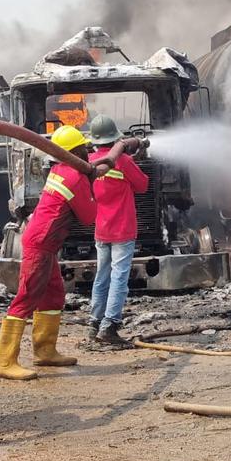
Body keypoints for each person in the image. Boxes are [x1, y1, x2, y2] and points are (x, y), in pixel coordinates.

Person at [0, 125, 126, 380]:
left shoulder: (60, 168)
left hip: (45, 243)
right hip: (41, 244)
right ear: (73, 152)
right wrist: (93, 184)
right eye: (83, 149)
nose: (88, 152)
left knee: (53, 296)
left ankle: (45, 351)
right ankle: (6, 361)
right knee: (26, 298)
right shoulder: (75, 177)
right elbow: (89, 217)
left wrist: (96, 171)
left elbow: (95, 168)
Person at [87, 115, 148, 347]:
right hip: (122, 229)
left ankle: (94, 324)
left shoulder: (91, 162)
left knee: (101, 278)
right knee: (119, 278)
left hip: (101, 230)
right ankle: (110, 326)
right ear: (115, 139)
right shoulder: (121, 161)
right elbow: (142, 185)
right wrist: (134, 159)